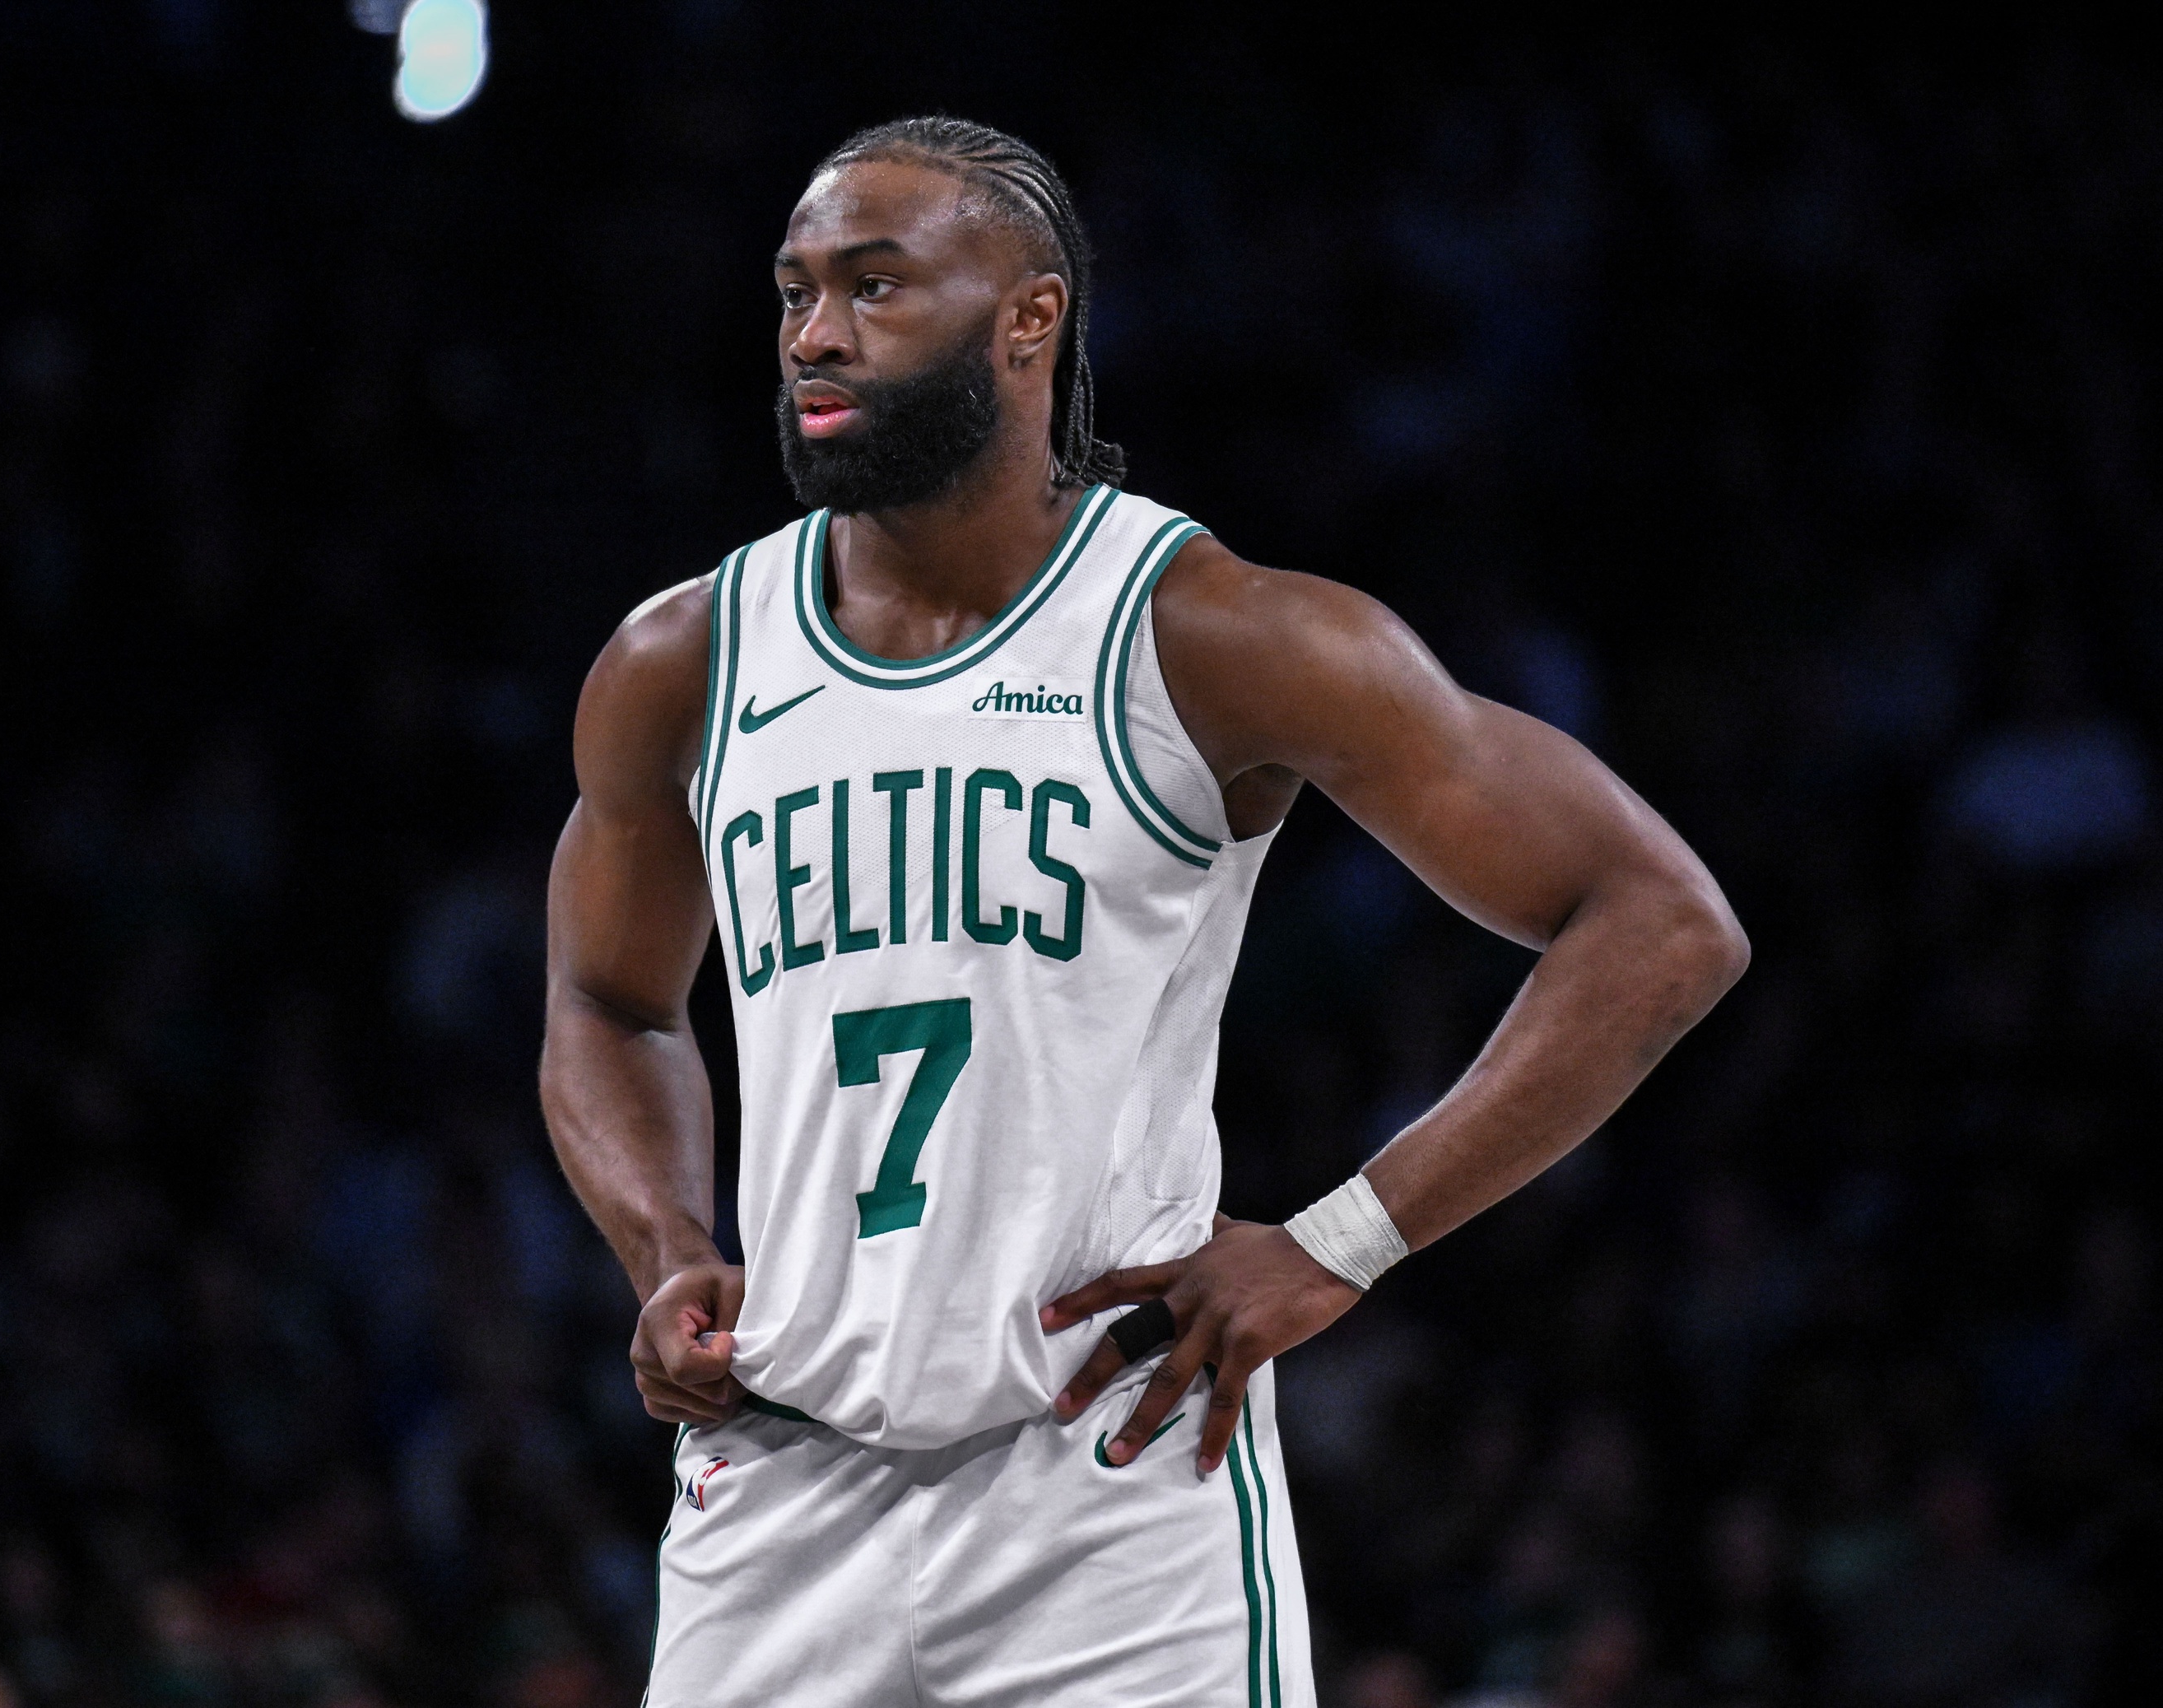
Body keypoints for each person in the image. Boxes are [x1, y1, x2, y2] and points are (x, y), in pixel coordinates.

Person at [541, 116, 1747, 1707]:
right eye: (794, 292)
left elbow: (1660, 924)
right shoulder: (683, 660)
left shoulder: (1210, 632)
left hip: (1102, 1485)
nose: (814, 335)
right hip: (775, 1489)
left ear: (1028, 318)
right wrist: (665, 1246)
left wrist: (1338, 1243)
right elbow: (608, 1000)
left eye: (874, 285)